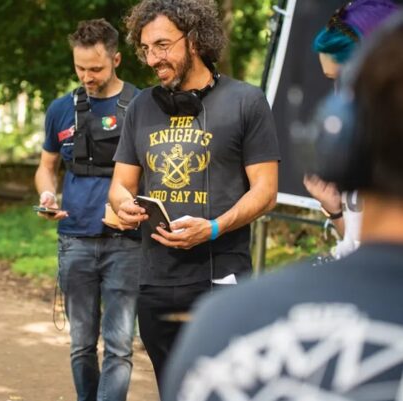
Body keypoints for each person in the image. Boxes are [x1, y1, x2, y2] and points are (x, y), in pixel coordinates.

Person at [161, 13, 403, 400]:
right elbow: (366, 245)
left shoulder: (224, 330)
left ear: (342, 136)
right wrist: (336, 212)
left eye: (343, 85)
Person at [109, 0, 280, 394]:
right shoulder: (140, 106)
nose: (153, 58)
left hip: (221, 279)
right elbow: (120, 185)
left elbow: (266, 191)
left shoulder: (246, 101)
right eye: (146, 49)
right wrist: (123, 205)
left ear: (195, 39)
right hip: (155, 282)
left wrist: (214, 227)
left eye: (163, 45)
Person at [34, 18, 142, 401]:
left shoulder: (142, 105)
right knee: (81, 344)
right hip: (74, 240)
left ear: (116, 59)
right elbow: (46, 167)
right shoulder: (61, 109)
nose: (87, 77)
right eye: (80, 68)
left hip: (126, 242)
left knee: (119, 347)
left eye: (95, 68)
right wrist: (47, 196)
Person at [303, 0, 399, 259]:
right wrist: (335, 210)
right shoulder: (362, 149)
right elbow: (359, 244)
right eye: (332, 82)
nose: (338, 96)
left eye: (344, 80)